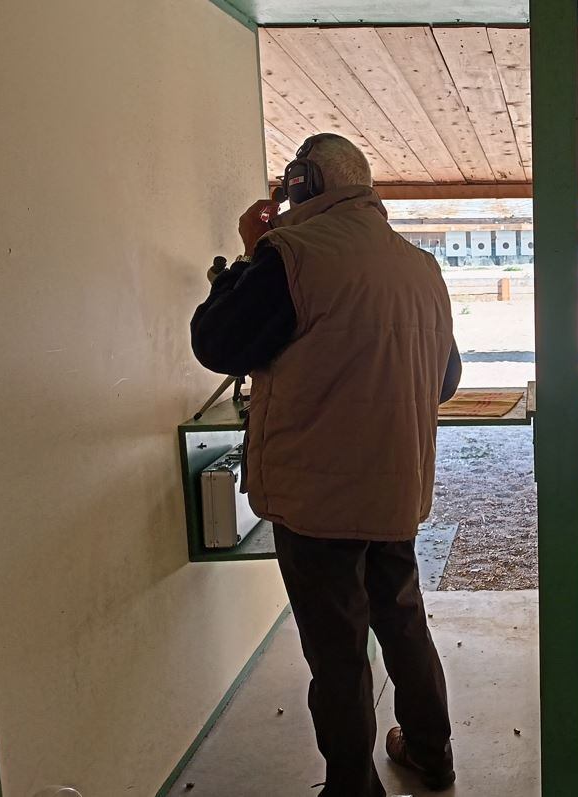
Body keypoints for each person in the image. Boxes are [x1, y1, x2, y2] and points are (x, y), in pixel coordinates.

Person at [191, 133, 462, 797]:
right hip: (395, 488)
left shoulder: (288, 258)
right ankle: (432, 751)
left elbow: (214, 340)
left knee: (338, 653)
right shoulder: (420, 266)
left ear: (303, 183)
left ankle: (352, 786)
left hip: (317, 500)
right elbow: (447, 378)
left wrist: (252, 251)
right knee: (402, 620)